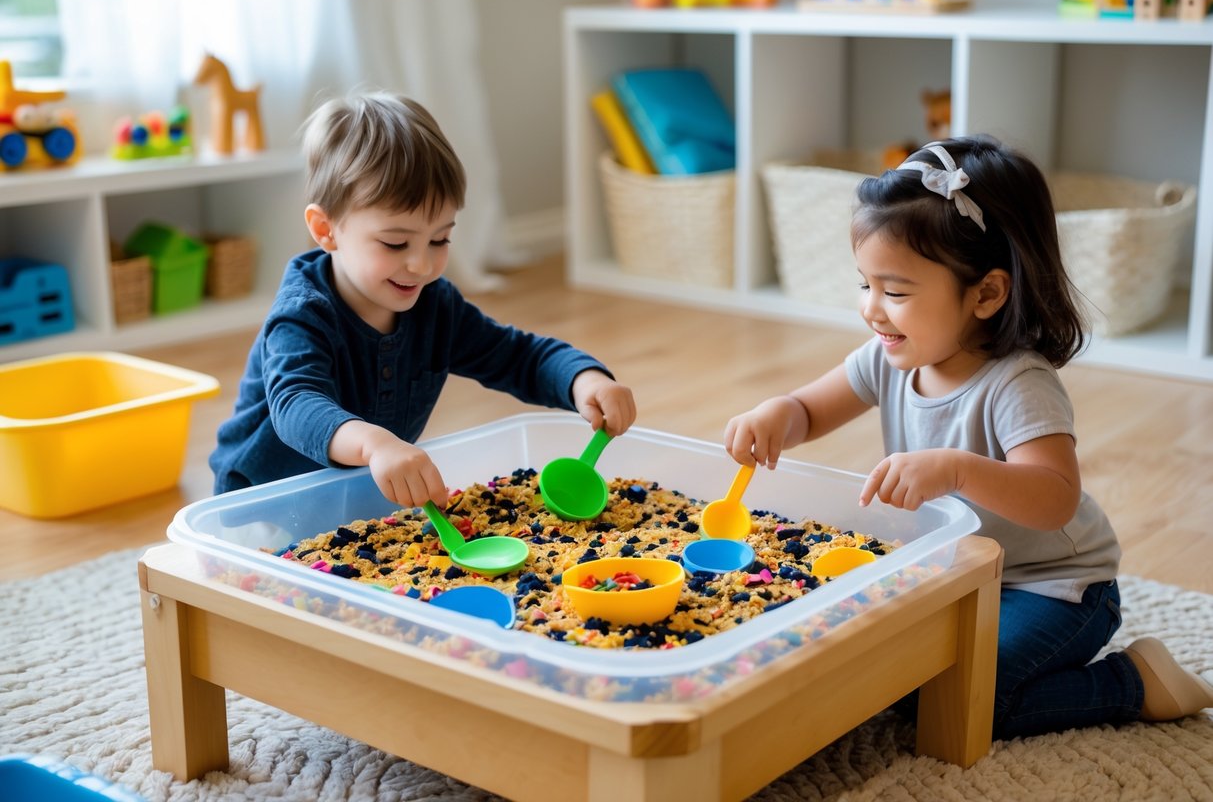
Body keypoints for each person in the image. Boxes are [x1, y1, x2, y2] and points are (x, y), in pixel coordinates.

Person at [723, 134, 1213, 739]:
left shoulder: (1018, 383)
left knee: (949, 699)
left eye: (895, 292)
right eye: (864, 284)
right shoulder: (889, 356)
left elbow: (1055, 496)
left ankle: (1132, 683)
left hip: (1052, 587)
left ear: (986, 293)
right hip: (958, 573)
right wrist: (776, 414)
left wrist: (956, 469)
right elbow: (808, 410)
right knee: (878, 669)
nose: (872, 310)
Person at [210, 93, 636, 508]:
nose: (421, 264)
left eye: (440, 238)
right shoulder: (303, 313)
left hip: (356, 491)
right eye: (395, 243)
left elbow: (516, 355)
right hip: (261, 499)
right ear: (326, 230)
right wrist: (375, 443)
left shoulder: (436, 307)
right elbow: (297, 405)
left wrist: (585, 379)